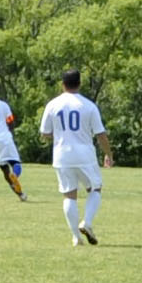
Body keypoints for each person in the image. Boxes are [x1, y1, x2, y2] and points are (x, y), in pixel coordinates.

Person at [39, 68, 111, 245]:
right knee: (95, 189)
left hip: (62, 154)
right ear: (79, 83)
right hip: (84, 153)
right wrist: (108, 154)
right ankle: (86, 222)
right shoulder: (88, 105)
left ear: (62, 84)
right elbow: (100, 134)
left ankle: (76, 237)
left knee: (69, 195)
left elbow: (45, 133)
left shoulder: (53, 105)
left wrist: (61, 136)